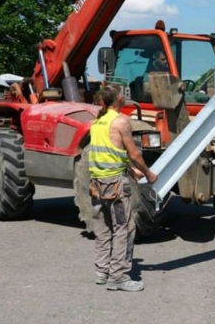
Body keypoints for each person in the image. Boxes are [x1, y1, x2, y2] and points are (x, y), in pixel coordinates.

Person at [88, 83, 157, 291]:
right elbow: (134, 154)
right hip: (115, 185)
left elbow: (110, 153)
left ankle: (102, 272)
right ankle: (118, 276)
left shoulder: (97, 122)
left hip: (96, 184)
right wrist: (148, 173)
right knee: (124, 228)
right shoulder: (121, 121)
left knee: (103, 228)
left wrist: (130, 171)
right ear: (120, 99)